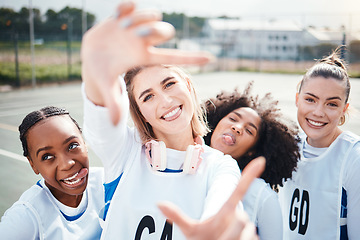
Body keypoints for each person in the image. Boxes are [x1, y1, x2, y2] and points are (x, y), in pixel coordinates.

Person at [81, 2, 243, 239]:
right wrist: (96, 70)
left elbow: (222, 207)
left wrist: (215, 226)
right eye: (148, 97)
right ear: (140, 113)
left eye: (169, 83)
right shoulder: (124, 152)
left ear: (187, 85)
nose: (166, 101)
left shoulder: (220, 166)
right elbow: (99, 116)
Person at [278, 49, 360, 239]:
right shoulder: (287, 145)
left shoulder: (353, 157)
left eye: (331, 104)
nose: (318, 112)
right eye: (310, 99)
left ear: (343, 110)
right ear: (297, 99)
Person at [203, 82, 300, 240]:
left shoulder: (263, 196)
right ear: (216, 123)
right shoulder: (183, 166)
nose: (237, 128)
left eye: (249, 130)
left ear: (252, 151)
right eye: (233, 119)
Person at [0, 106, 104, 239]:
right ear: (33, 164)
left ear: (84, 143)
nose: (67, 164)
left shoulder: (107, 182)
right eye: (47, 157)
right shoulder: (27, 215)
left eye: (72, 146)